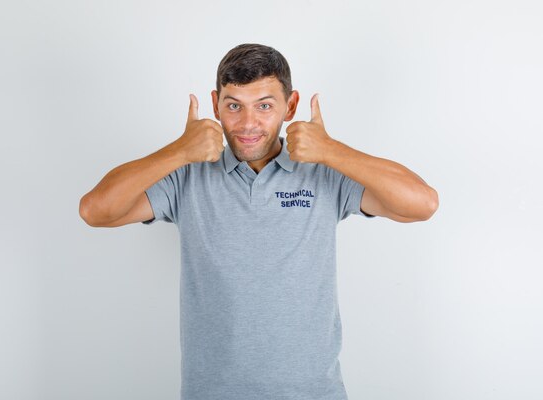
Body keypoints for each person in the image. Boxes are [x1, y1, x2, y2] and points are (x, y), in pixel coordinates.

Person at [79, 43, 439, 400]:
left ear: (290, 106)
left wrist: (331, 150)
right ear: (216, 105)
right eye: (234, 106)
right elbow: (96, 211)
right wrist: (177, 151)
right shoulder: (186, 176)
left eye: (264, 106)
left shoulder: (325, 174)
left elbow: (422, 204)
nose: (247, 123)